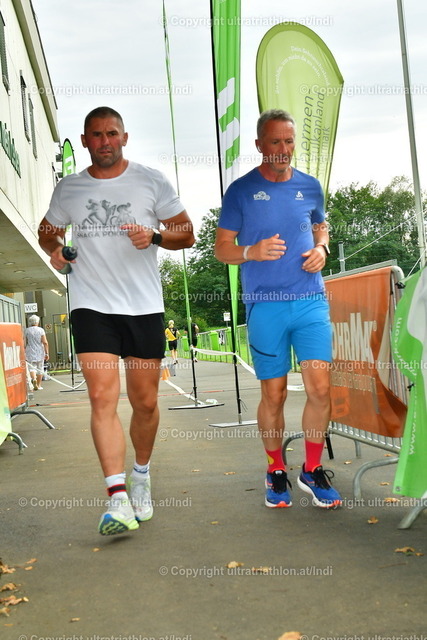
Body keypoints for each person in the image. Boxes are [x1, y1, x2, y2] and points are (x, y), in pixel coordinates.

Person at [38, 106, 194, 535]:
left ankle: (140, 475)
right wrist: (56, 249)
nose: (104, 141)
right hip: (91, 305)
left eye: (111, 133)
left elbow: (187, 233)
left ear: (124, 137)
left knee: (145, 403)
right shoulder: (70, 188)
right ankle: (118, 497)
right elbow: (47, 231)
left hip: (143, 307)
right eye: (96, 134)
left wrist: (156, 235)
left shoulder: (151, 180)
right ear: (85, 141)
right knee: (101, 398)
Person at [215, 109, 341, 509]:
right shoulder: (240, 191)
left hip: (310, 301)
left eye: (289, 141)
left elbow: (320, 224)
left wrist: (322, 247)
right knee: (275, 393)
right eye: (275, 142)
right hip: (265, 306)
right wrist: (251, 251)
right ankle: (275, 470)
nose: (283, 150)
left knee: (321, 388)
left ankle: (312, 469)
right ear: (259, 145)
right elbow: (221, 248)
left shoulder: (310, 186)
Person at [25, 314, 49, 391]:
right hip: (40, 351)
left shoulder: (27, 330)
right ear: (37, 322)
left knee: (31, 368)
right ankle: (39, 385)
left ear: (30, 322)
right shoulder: (41, 330)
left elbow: (24, 342)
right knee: (40, 368)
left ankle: (34, 379)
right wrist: (47, 353)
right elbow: (45, 342)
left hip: (30, 351)